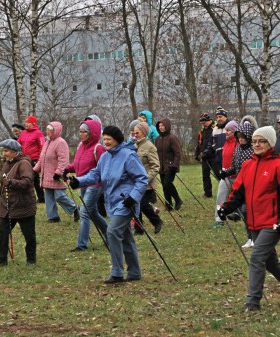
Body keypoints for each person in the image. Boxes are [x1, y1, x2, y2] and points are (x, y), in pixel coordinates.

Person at [69, 126, 148, 284]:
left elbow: (142, 178)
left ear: (117, 139)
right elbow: (96, 175)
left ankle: (117, 273)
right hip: (112, 203)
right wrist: (79, 181)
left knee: (112, 232)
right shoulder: (105, 157)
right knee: (125, 236)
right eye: (104, 139)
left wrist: (133, 197)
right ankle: (134, 271)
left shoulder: (128, 155)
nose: (106, 142)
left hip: (127, 204)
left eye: (109, 139)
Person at [217, 126, 280, 312]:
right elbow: (238, 192)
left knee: (257, 257)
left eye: (262, 141)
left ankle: (252, 303)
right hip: (254, 221)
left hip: (273, 222)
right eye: (254, 141)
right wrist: (226, 208)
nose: (257, 144)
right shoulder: (248, 165)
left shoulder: (277, 165)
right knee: (270, 262)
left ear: (271, 144)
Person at [63, 120, 108, 252]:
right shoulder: (80, 146)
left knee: (84, 212)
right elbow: (77, 165)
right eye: (80, 131)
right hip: (82, 183)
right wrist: (67, 168)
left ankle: (81, 245)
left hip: (95, 185)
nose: (80, 134)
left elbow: (102, 168)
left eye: (84, 132)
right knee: (92, 212)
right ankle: (110, 235)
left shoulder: (98, 148)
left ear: (91, 133)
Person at [221, 115, 258, 248]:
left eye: (244, 138)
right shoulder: (237, 149)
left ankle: (254, 237)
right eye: (239, 138)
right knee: (245, 213)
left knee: (247, 211)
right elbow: (235, 167)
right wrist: (226, 172)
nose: (241, 140)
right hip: (240, 184)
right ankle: (250, 237)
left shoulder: (253, 150)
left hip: (252, 185)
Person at [33, 122, 79, 223]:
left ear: (56, 131)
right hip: (47, 175)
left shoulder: (61, 142)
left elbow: (64, 160)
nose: (48, 132)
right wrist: (35, 170)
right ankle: (53, 217)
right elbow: (41, 159)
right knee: (48, 196)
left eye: (50, 130)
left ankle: (75, 209)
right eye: (47, 130)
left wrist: (58, 172)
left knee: (59, 196)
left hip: (57, 176)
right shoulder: (47, 142)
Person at [0, 139, 36, 266]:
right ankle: (2, 261)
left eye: (7, 151)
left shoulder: (24, 164)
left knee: (29, 236)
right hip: (7, 206)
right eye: (3, 151)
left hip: (23, 206)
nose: (4, 154)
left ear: (15, 152)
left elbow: (27, 182)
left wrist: (11, 183)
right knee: (2, 234)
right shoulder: (7, 163)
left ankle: (31, 260)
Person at [134, 122, 163, 234]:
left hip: (146, 184)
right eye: (134, 132)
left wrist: (146, 178)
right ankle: (139, 228)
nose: (135, 134)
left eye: (138, 132)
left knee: (143, 205)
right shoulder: (135, 146)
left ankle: (157, 222)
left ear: (144, 133)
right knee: (134, 205)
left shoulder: (150, 146)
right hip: (135, 182)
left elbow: (155, 166)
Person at [212, 120, 239, 228]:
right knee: (221, 196)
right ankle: (219, 219)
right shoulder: (226, 142)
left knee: (238, 198)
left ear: (234, 131)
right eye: (226, 130)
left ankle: (240, 215)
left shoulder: (238, 143)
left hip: (237, 176)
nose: (226, 132)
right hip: (225, 175)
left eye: (229, 130)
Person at [155, 117, 183, 211]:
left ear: (167, 126)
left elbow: (178, 153)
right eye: (159, 126)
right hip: (161, 167)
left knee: (167, 183)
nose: (161, 127)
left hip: (171, 166)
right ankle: (168, 205)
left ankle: (178, 200)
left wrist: (175, 165)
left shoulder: (172, 137)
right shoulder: (158, 139)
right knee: (164, 185)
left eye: (163, 125)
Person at [17, 115, 45, 203]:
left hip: (34, 159)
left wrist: (39, 159)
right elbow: (18, 144)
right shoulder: (23, 133)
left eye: (28, 122)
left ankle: (41, 198)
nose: (26, 124)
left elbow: (42, 146)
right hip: (24, 159)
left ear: (33, 123)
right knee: (25, 178)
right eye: (26, 122)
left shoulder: (39, 133)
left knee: (35, 179)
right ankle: (27, 198)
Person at [202, 106, 230, 174]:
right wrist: (205, 153)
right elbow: (210, 143)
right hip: (219, 160)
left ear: (225, 117)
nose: (218, 119)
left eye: (220, 117)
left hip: (230, 160)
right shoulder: (215, 129)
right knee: (221, 180)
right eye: (217, 117)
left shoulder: (230, 127)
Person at [194, 113, 216, 198]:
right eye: (202, 122)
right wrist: (197, 154)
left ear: (210, 120)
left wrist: (207, 152)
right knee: (205, 176)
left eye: (205, 122)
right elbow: (199, 143)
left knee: (218, 174)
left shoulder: (214, 129)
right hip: (204, 157)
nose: (204, 123)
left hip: (213, 156)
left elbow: (213, 144)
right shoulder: (201, 131)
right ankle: (207, 193)